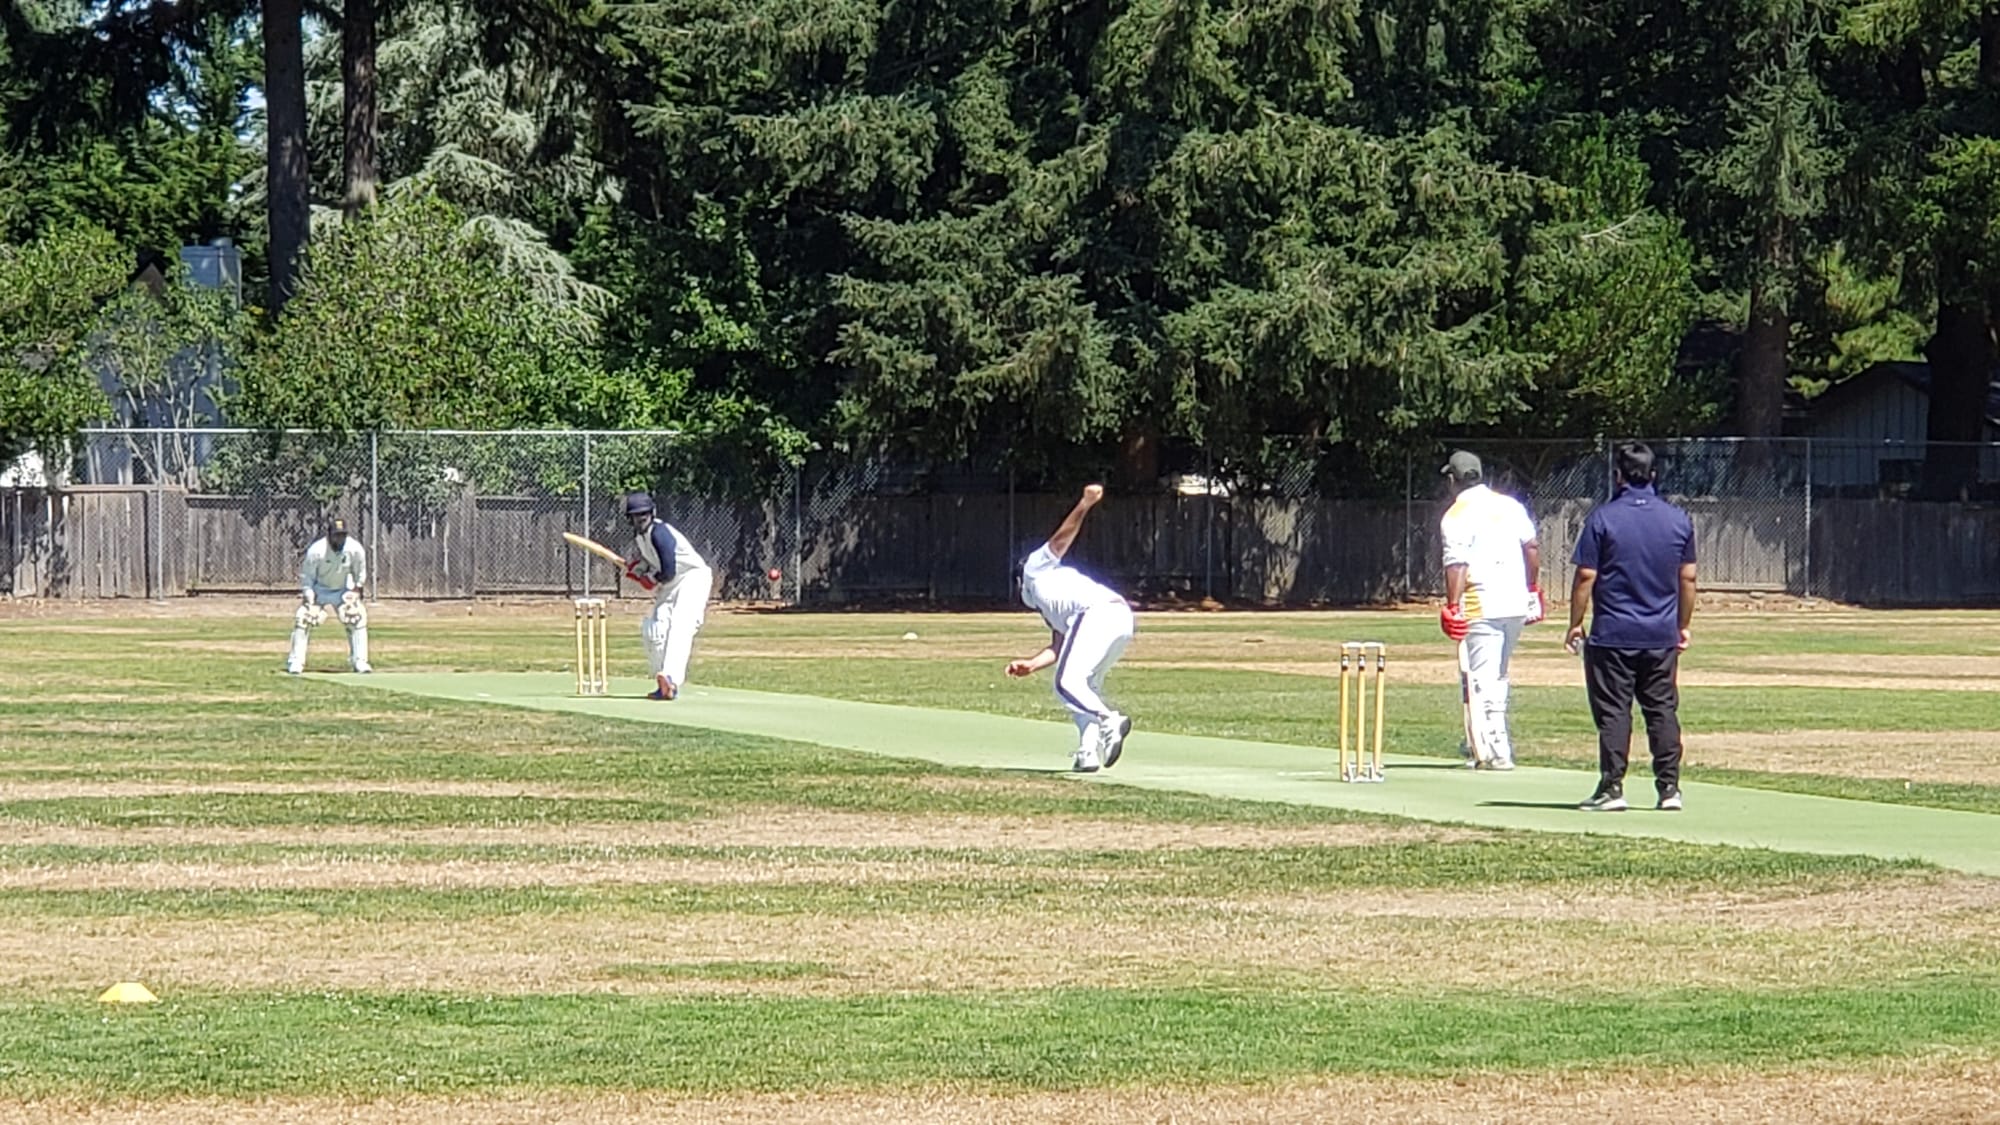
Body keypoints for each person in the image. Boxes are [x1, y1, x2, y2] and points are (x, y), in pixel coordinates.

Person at [1564, 442, 1698, 812]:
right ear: (1653, 475)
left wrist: (1575, 624)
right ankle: (1669, 788)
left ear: (1617, 476)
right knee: (1661, 709)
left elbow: (1585, 576)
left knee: (1613, 711)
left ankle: (1612, 788)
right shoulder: (1678, 520)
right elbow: (1688, 578)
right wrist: (1682, 625)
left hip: (1612, 634)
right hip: (1660, 634)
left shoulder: (1603, 519)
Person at [1005, 483, 1136, 773]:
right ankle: (1087, 752)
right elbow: (1059, 644)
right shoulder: (1049, 605)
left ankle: (1109, 719)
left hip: (1096, 614)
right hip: (1119, 617)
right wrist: (1031, 664)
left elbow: (1059, 541)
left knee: (1066, 684)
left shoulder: (1033, 571)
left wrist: (1085, 503)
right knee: (1083, 686)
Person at [1437, 451, 1542, 771]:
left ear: (1452, 480)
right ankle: (1482, 745)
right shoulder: (1510, 505)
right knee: (1497, 674)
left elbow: (1456, 565)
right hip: (1514, 601)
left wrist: (1453, 606)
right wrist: (1532, 589)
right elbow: (1532, 548)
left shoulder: (1456, 515)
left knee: (1481, 677)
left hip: (1480, 603)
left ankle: (1497, 750)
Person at [623, 492, 713, 700]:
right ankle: (663, 682)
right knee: (654, 630)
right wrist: (640, 568)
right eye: (636, 516)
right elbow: (652, 560)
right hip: (671, 585)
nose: (641, 519)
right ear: (630, 518)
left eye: (644, 515)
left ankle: (671, 677)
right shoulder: (640, 536)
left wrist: (650, 579)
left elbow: (669, 570)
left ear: (652, 513)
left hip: (692, 578)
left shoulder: (660, 532)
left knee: (681, 625)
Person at [287, 517, 371, 674]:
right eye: (336, 535)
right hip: (319, 589)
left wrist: (355, 592)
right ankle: (296, 662)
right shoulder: (317, 550)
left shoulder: (355, 549)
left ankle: (360, 661)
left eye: (343, 535)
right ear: (329, 534)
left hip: (343, 589)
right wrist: (309, 599)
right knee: (303, 618)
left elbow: (360, 573)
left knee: (357, 617)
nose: (339, 539)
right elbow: (308, 577)